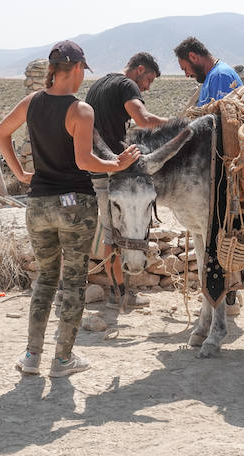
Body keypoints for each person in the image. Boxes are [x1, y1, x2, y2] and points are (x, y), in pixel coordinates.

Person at [0, 40, 141, 377]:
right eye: (81, 72)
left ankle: (31, 356)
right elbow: (83, 160)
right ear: (76, 69)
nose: (81, 79)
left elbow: (0, 133)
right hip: (74, 205)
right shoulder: (80, 110)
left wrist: (19, 173)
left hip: (38, 205)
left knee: (46, 280)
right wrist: (117, 164)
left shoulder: (31, 102)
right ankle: (62, 361)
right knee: (73, 283)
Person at [85, 52, 168, 307]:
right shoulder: (126, 84)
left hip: (97, 167)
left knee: (114, 231)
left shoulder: (98, 84)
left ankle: (120, 292)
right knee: (115, 233)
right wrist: (177, 124)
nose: (147, 87)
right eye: (149, 79)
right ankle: (119, 296)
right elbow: (142, 119)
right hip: (115, 170)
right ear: (139, 69)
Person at [174, 36, 242, 107]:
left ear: (193, 57)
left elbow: (224, 115)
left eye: (185, 69)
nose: (187, 75)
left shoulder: (220, 76)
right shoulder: (210, 77)